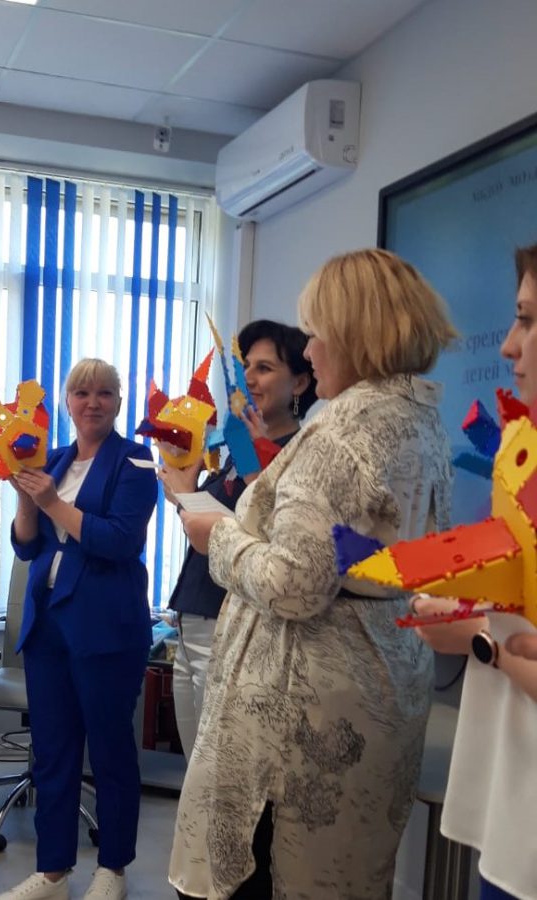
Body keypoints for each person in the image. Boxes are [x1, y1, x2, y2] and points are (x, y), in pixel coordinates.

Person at [168, 248, 458, 900]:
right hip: (379, 689)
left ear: (354, 334)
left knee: (266, 875)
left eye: (316, 333)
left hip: (299, 720)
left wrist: (219, 539)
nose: (310, 349)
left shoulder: (339, 436)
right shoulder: (422, 425)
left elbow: (295, 583)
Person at [0, 359, 157, 900]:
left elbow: (118, 541)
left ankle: (113, 869)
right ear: (66, 403)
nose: (93, 402)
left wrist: (51, 502)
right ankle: (53, 873)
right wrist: (26, 499)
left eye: (105, 393)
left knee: (110, 752)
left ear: (118, 402)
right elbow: (27, 545)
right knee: (53, 753)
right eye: (82, 393)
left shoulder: (136, 462)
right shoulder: (53, 460)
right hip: (48, 627)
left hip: (106, 628)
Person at [414, 242, 537, 900]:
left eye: (529, 320)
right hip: (509, 783)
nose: (509, 346)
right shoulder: (523, 451)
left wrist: (479, 638)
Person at [159, 319, 317, 762]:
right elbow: (218, 528)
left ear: (299, 382)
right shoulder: (236, 447)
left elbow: (272, 536)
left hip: (235, 622)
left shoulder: (299, 454)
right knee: (195, 768)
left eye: (264, 368)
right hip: (194, 616)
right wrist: (184, 492)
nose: (248, 378)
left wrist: (188, 497)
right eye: (246, 366)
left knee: (218, 766)